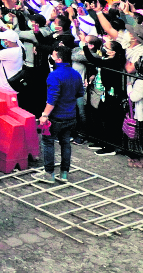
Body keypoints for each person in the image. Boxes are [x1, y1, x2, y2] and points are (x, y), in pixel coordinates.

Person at [35, 45, 84, 184]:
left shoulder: (54, 75)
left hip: (56, 117)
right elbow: (80, 93)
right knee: (65, 143)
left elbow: (52, 99)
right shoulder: (76, 74)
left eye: (54, 55)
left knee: (48, 142)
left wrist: (44, 115)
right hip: (71, 116)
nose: (52, 57)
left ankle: (49, 174)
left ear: (59, 59)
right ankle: (64, 174)